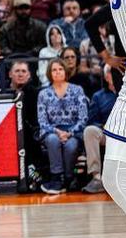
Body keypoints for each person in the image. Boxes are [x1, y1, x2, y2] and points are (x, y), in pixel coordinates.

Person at [36, 58, 88, 194]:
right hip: (52, 131)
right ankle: (57, 177)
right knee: (53, 140)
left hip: (73, 130)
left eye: (60, 69)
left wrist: (69, 132)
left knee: (71, 145)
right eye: (54, 70)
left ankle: (69, 178)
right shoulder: (43, 94)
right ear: (49, 73)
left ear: (65, 71)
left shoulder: (77, 90)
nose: (57, 72)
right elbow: (42, 122)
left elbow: (83, 118)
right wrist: (57, 132)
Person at [80, 65, 118, 194]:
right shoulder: (98, 96)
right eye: (112, 72)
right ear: (106, 76)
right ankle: (96, 178)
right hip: (107, 132)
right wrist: (104, 126)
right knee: (90, 130)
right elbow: (92, 120)